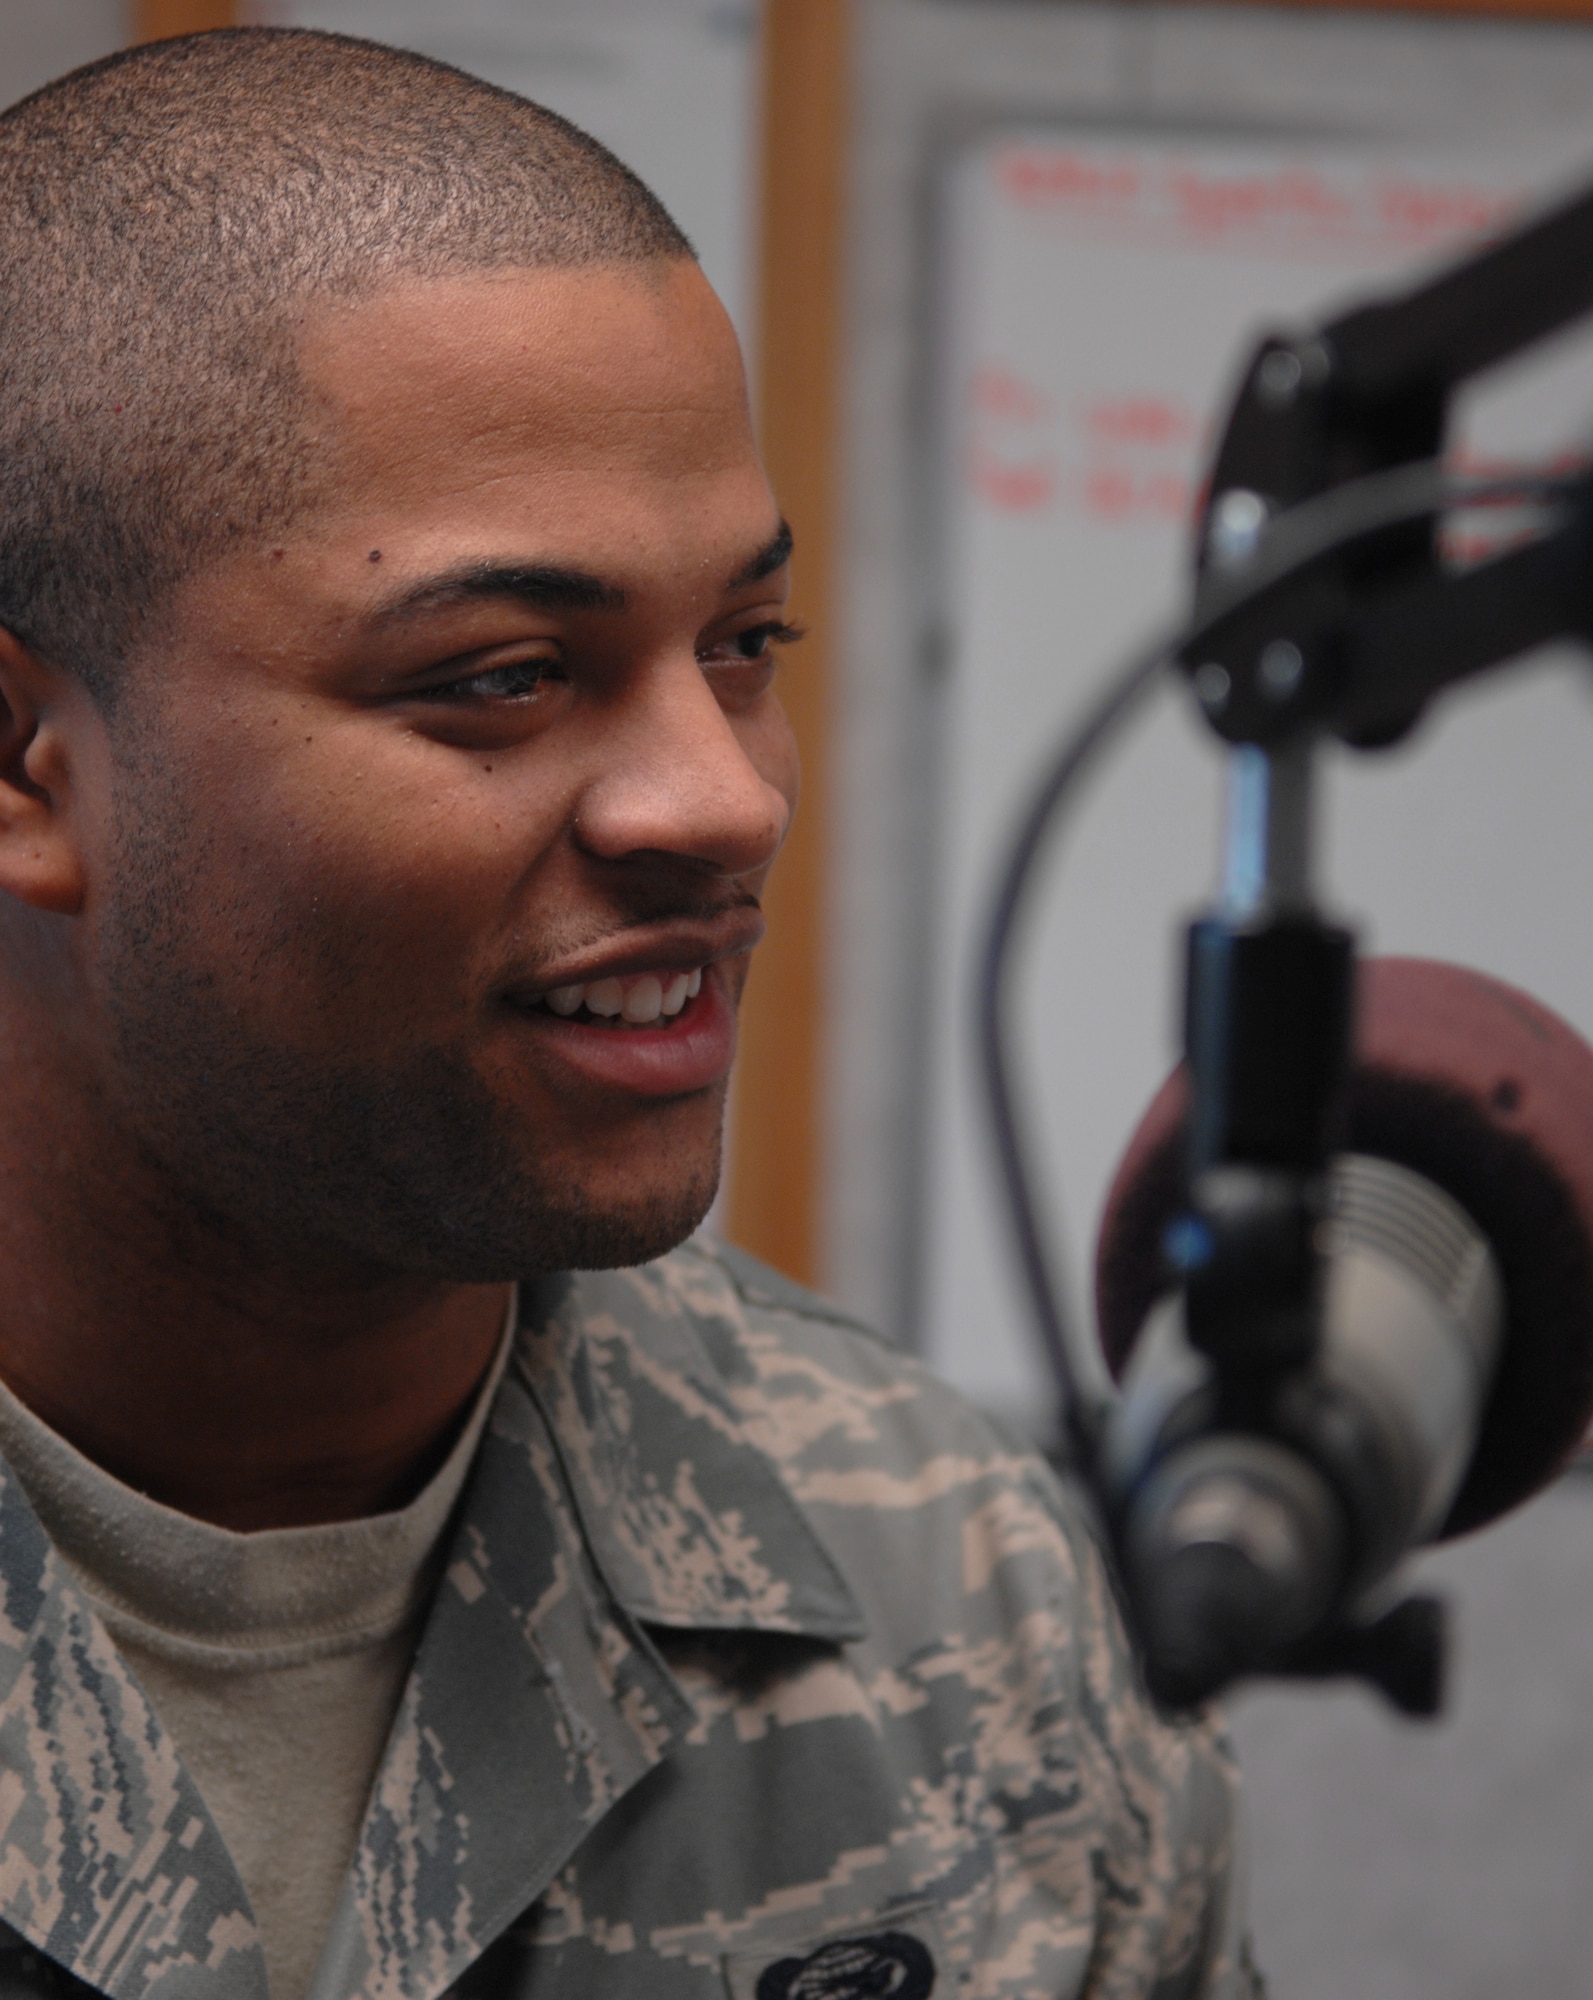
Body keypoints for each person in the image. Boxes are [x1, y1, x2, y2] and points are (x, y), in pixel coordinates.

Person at [0, 28, 1258, 2000]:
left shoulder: (960, 1601)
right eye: (500, 675)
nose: (723, 799)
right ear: (25, 759)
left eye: (740, 645)